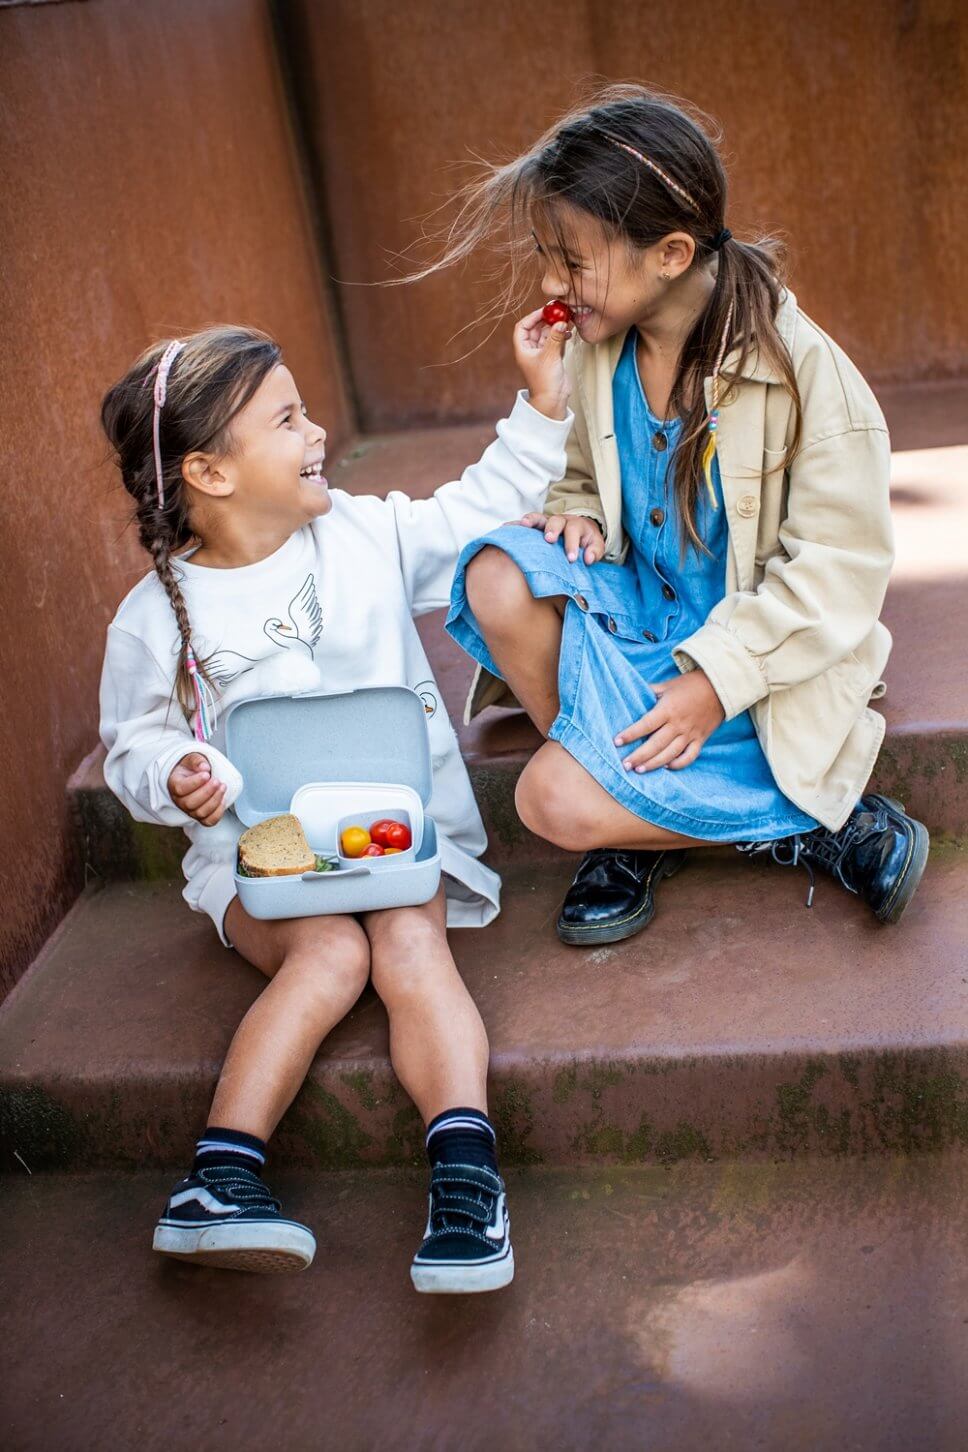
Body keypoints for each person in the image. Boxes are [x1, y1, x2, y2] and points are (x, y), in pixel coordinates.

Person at [98, 316, 574, 1287]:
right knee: (328, 952)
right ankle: (218, 1179)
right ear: (211, 473)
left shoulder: (361, 534)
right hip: (256, 863)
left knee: (405, 938)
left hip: (397, 841)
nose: (314, 433)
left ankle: (466, 1183)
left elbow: (476, 508)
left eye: (307, 411)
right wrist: (173, 778)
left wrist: (543, 400)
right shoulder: (154, 617)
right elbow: (132, 746)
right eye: (286, 419)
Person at [434, 83, 928, 945]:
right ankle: (636, 809)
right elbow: (588, 469)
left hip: (752, 663)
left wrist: (713, 684)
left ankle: (815, 822)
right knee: (495, 574)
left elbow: (837, 573)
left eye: (572, 261)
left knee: (546, 798)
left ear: (668, 252)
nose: (552, 283)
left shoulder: (807, 375)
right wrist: (580, 507)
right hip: (639, 620)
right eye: (547, 257)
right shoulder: (600, 351)